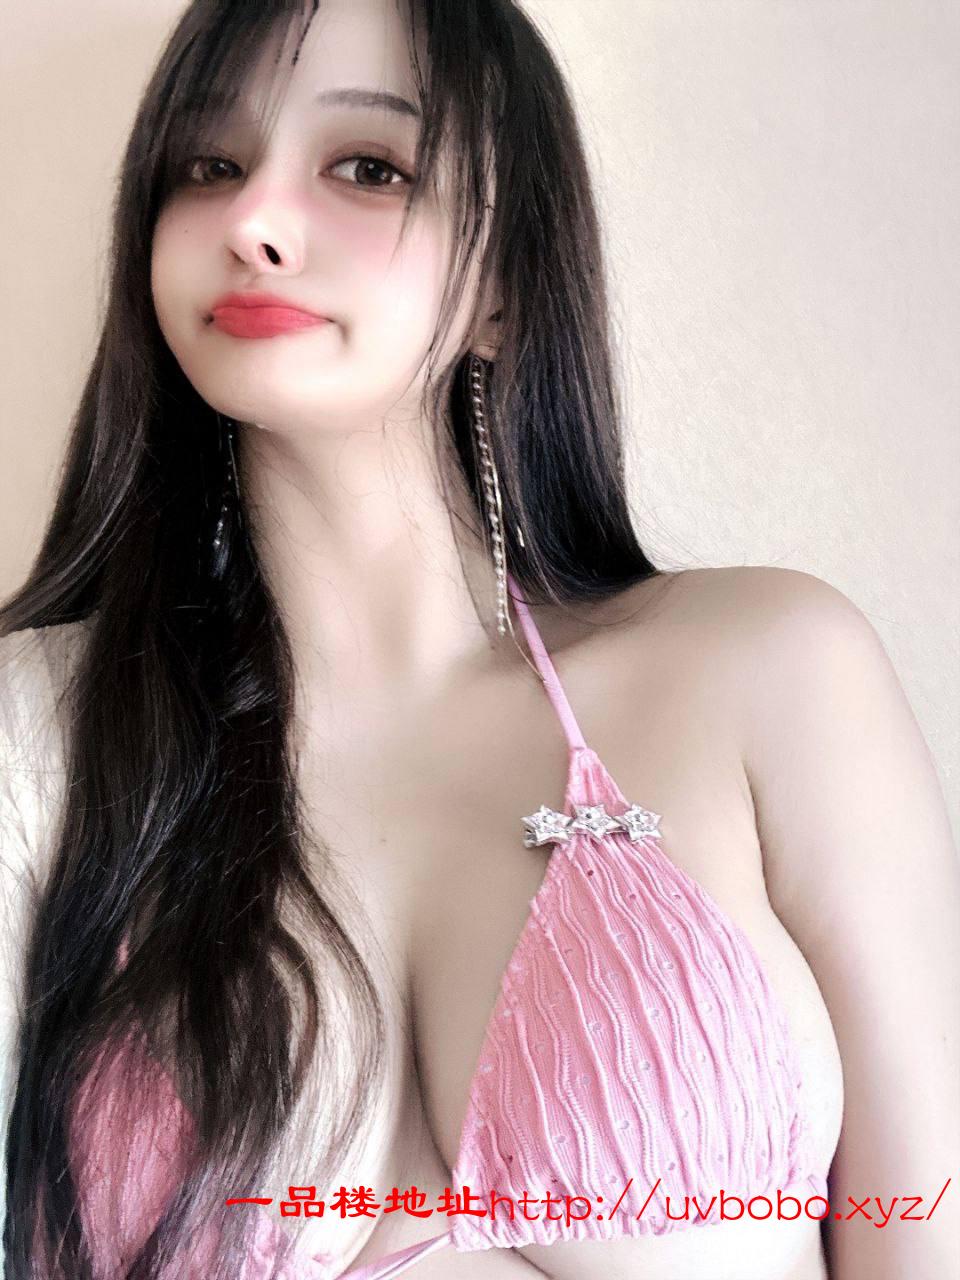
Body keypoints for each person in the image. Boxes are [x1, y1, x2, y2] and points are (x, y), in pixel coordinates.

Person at [2, 1, 958, 1278]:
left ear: (502, 283)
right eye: (210, 164)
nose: (254, 219)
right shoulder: (39, 741)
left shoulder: (769, 668)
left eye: (368, 167)